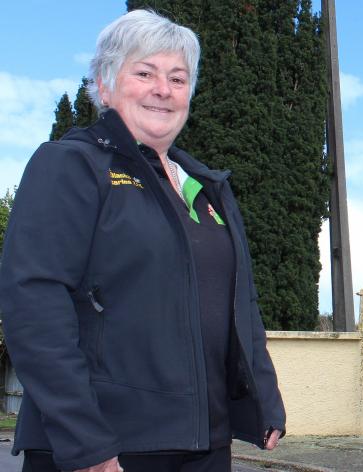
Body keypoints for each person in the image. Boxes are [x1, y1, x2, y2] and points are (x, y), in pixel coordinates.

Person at [0, 9, 285, 472]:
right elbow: (34, 305)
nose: (163, 90)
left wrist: (264, 397)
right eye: (145, 73)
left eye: (177, 78)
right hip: (107, 446)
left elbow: (241, 304)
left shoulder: (205, 185)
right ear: (106, 84)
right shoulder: (72, 165)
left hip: (204, 445)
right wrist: (84, 440)